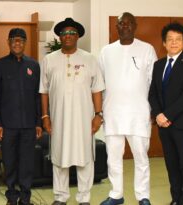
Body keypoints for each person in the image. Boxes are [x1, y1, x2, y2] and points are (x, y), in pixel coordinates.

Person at [39, 18, 105, 205]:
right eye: (64, 33)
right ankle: (60, 197)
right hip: (58, 119)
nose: (67, 36)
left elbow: (97, 89)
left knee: (85, 159)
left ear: (77, 36)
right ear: (59, 37)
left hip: (84, 119)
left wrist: (98, 115)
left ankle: (84, 198)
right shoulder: (49, 60)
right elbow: (43, 91)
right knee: (59, 159)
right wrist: (45, 116)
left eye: (71, 33)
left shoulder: (89, 59)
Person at [98, 12, 157, 205]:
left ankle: (143, 196)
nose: (125, 26)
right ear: (116, 28)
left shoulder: (147, 49)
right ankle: (116, 194)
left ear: (135, 26)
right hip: (112, 113)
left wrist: (154, 111)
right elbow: (100, 83)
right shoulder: (106, 51)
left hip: (139, 114)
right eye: (121, 24)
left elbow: (153, 83)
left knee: (141, 158)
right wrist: (98, 112)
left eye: (129, 23)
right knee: (113, 158)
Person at [149, 22, 183, 205]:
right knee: (171, 164)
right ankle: (176, 198)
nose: (174, 43)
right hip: (163, 124)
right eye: (170, 39)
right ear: (164, 43)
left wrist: (166, 115)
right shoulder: (158, 65)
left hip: (182, 123)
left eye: (178, 39)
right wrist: (158, 115)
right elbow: (152, 93)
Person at [0, 28, 42, 205]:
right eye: (14, 40)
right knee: (10, 162)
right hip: (7, 126)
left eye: (21, 40)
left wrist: (38, 123)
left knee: (27, 163)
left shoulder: (34, 65)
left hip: (29, 125)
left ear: (25, 43)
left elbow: (37, 96)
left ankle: (26, 197)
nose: (17, 43)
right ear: (8, 42)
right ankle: (12, 197)